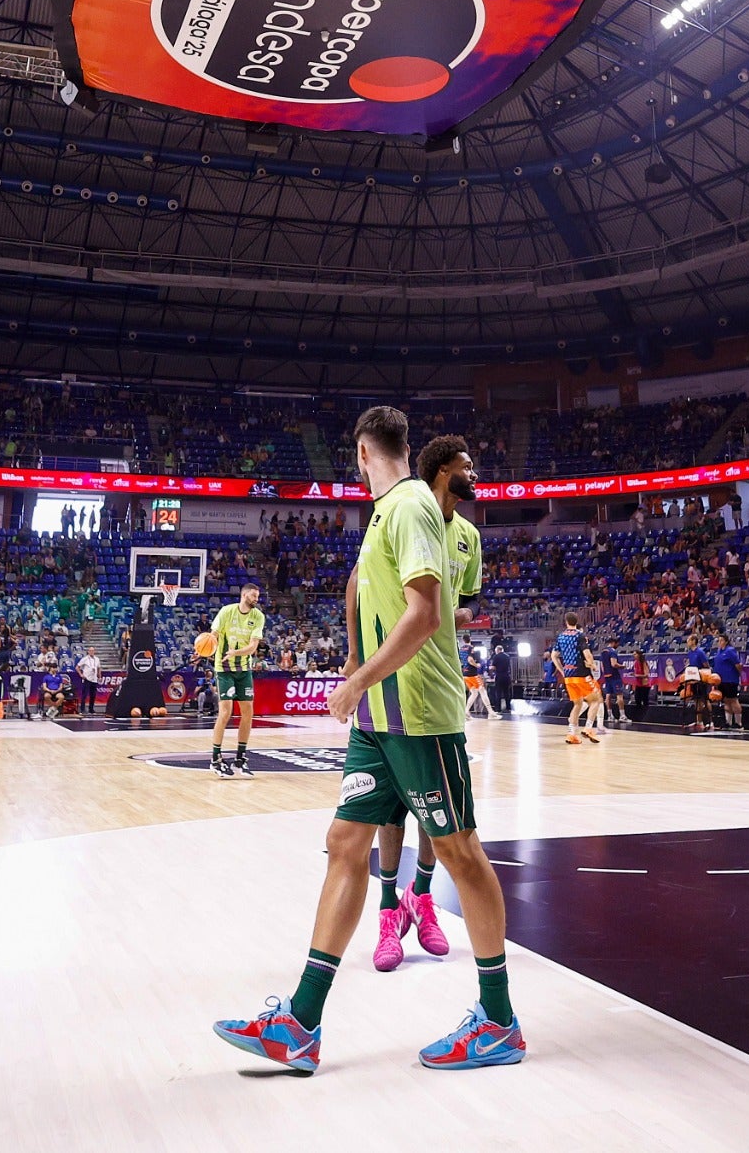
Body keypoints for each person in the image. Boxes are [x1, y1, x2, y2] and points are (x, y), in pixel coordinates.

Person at [214, 416, 522, 1074]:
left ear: (360, 454)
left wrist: (354, 679)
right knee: (345, 843)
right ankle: (300, 1022)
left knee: (460, 852)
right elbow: (369, 598)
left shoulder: (410, 505)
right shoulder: (385, 513)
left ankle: (499, 1021)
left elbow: (426, 614)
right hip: (378, 723)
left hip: (418, 714)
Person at [374, 445, 482, 973]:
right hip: (392, 687)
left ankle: (421, 899)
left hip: (438, 685)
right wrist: (355, 656)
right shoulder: (405, 513)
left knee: (432, 810)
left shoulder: (469, 537)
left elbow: (466, 604)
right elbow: (359, 584)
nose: (474, 475)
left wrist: (444, 613)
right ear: (443, 471)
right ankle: (388, 908)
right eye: (466, 467)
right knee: (390, 809)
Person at [209, 581, 266, 779]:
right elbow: (213, 635)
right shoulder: (226, 612)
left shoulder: (258, 616)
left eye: (257, 596)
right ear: (244, 595)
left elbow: (253, 648)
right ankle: (216, 758)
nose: (256, 599)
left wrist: (236, 652)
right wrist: (206, 645)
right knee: (226, 712)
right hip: (223, 668)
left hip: (244, 669)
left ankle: (240, 759)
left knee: (248, 713)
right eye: (253, 596)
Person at [555, 613, 598, 744]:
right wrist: (593, 665)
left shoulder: (561, 636)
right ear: (576, 621)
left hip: (568, 675)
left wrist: (562, 671)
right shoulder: (579, 635)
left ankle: (571, 734)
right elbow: (587, 654)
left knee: (577, 704)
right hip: (581, 673)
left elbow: (554, 656)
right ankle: (588, 728)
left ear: (566, 621)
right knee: (596, 699)